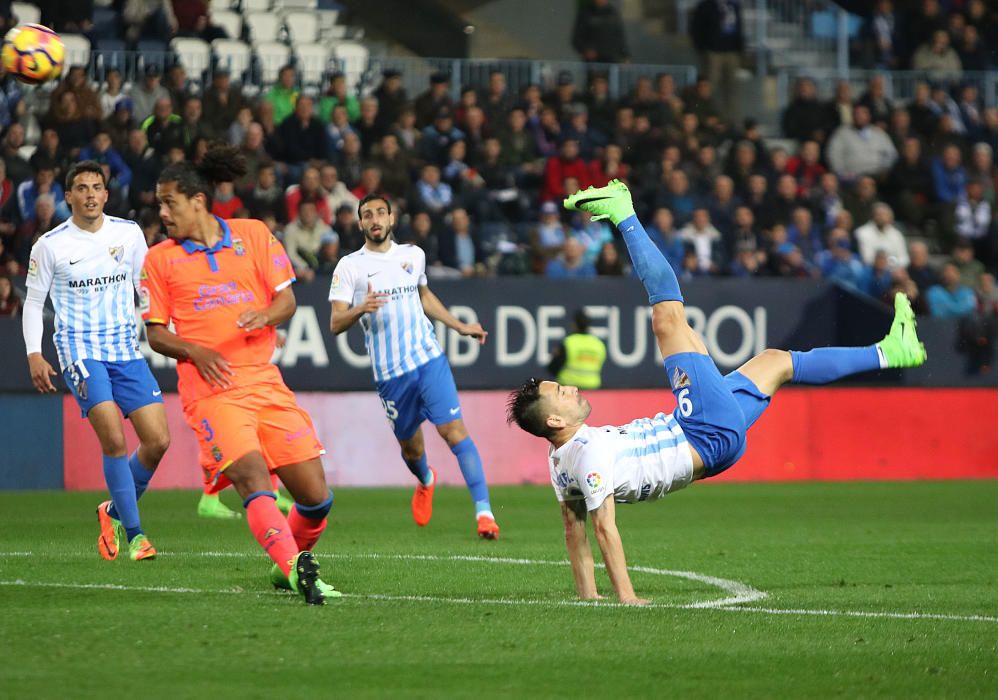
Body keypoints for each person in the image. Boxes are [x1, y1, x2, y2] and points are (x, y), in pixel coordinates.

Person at [506, 180, 927, 604]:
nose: (571, 388)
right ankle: (624, 213)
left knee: (776, 362)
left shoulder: (560, 462)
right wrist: (627, 597)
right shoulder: (589, 457)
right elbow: (601, 528)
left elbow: (571, 527)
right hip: (702, 431)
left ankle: (890, 351)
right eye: (561, 392)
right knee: (668, 319)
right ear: (555, 420)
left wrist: (588, 596)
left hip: (710, 443)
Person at [141, 146, 337, 604]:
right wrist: (194, 349)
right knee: (252, 477)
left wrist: (265, 314)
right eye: (159, 204)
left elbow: (287, 302)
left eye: (169, 202)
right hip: (211, 392)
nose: (163, 213)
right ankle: (296, 570)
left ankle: (284, 562)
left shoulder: (252, 234)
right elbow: (155, 334)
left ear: (197, 201)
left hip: (264, 382)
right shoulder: (159, 259)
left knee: (316, 498)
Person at [22, 161, 171, 562]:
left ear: (106, 194)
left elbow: (145, 286)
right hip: (79, 350)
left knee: (158, 441)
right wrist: (34, 353)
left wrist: (160, 323)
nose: (90, 194)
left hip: (125, 349)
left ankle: (112, 510)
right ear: (67, 196)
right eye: (81, 188)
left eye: (96, 187)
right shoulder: (50, 244)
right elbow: (34, 302)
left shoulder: (129, 233)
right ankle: (137, 535)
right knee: (115, 440)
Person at [328, 194, 500, 539]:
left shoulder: (413, 255)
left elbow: (423, 296)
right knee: (412, 449)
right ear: (360, 223)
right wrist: (360, 308)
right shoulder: (350, 266)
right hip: (391, 376)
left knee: (454, 432)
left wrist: (458, 325)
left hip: (428, 360)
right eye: (367, 215)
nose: (375, 219)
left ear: (392, 218)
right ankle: (425, 479)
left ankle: (484, 513)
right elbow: (335, 323)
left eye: (380, 212)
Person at [548, 310, 607, 390]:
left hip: (568, 389)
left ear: (574, 324)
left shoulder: (569, 343)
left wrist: (555, 355)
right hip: (593, 389)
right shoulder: (598, 345)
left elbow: (553, 368)